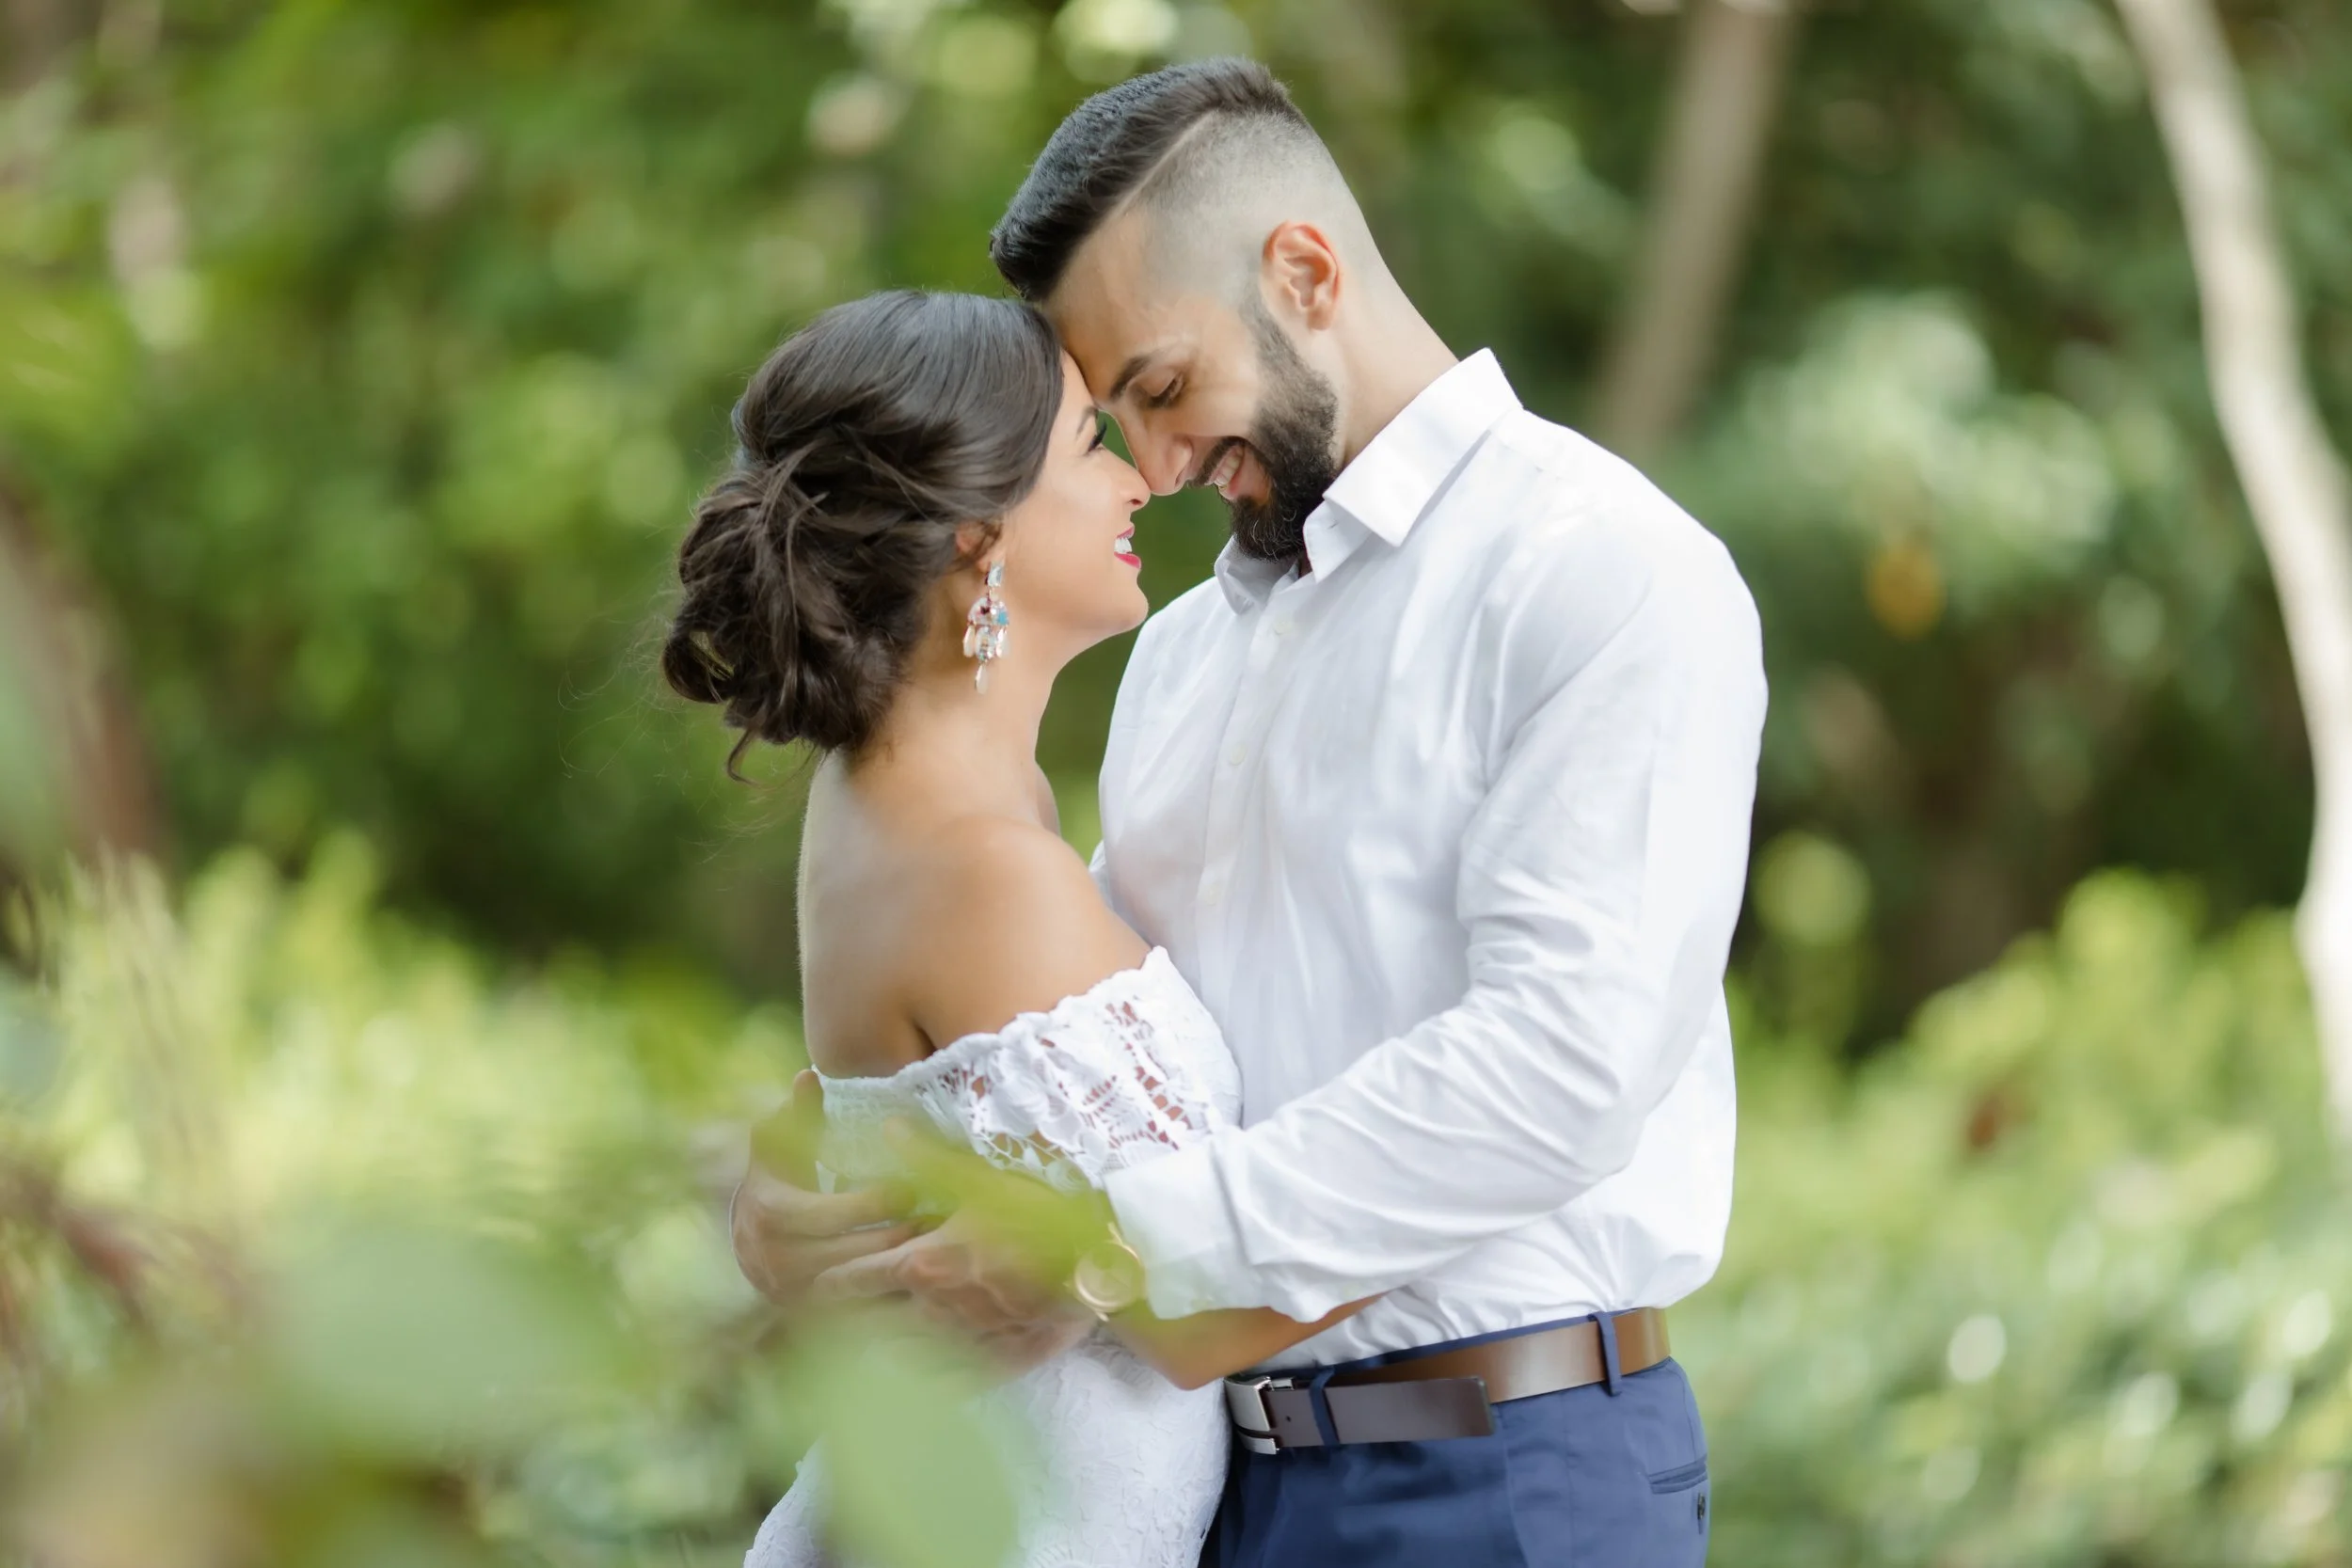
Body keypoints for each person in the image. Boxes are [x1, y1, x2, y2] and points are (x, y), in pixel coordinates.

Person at [730, 58, 1767, 1568]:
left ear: (1304, 270)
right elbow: (1056, 1033)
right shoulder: (1180, 658)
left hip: (1500, 1475)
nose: (1154, 465)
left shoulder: (1598, 573)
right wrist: (799, 1173)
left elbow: (1561, 1061)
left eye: (1158, 388)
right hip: (1215, 1494)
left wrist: (1100, 1252)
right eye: (1112, 418)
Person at [666, 289, 1369, 1568]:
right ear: (981, 539)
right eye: (1091, 450)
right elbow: (1197, 1312)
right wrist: (1523, 1129)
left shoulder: (891, 799)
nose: (1140, 485)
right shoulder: (986, 863)